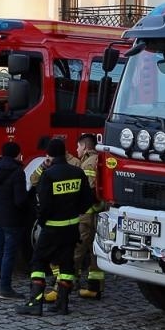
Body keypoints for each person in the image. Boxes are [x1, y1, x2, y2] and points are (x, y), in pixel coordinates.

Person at [22, 137, 97, 316]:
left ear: (50, 154)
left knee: (38, 262)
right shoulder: (77, 172)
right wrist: (74, 212)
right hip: (71, 228)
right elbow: (88, 200)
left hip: (52, 228)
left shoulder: (49, 175)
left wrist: (42, 220)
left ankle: (35, 303)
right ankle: (62, 305)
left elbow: (44, 205)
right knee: (66, 267)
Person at [0, 141, 27, 300]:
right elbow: (20, 200)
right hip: (12, 218)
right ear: (17, 154)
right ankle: (5, 288)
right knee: (9, 254)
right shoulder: (17, 171)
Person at [74, 133, 107, 299]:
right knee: (96, 253)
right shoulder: (98, 159)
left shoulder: (88, 164)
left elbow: (89, 190)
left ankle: (65, 284)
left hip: (87, 215)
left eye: (78, 147)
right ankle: (94, 288)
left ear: (85, 147)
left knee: (77, 249)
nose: (76, 150)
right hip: (99, 213)